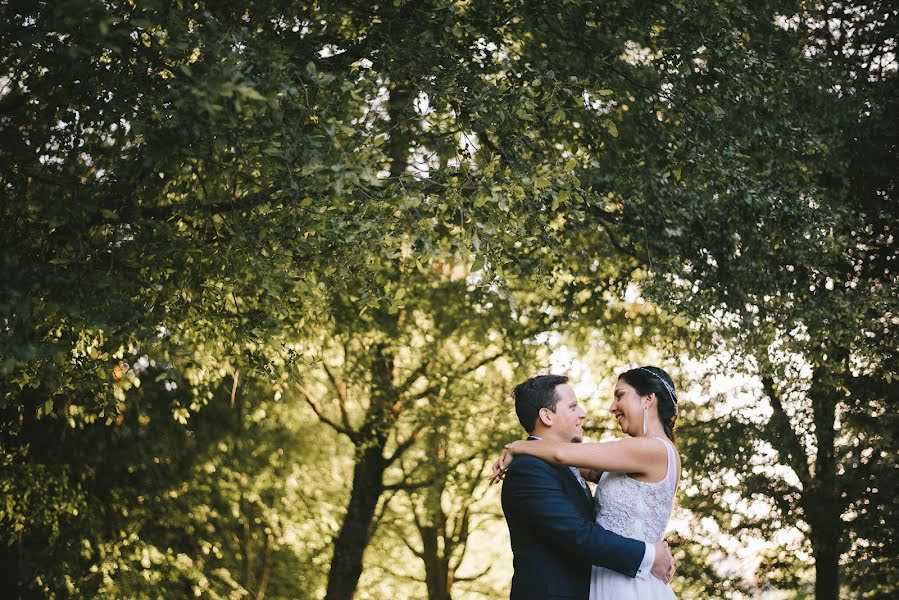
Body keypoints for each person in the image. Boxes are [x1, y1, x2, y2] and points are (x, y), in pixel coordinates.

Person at [492, 368, 681, 599]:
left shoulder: (651, 448)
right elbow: (580, 530)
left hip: (627, 584)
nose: (610, 407)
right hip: (605, 581)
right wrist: (651, 554)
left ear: (648, 399)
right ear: (546, 415)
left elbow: (563, 455)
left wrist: (518, 446)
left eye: (619, 395)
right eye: (572, 407)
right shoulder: (532, 469)